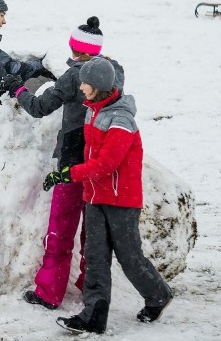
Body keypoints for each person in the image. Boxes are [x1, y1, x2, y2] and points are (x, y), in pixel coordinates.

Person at [0, 17, 124, 311]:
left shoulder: (73, 77)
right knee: (93, 230)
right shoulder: (114, 72)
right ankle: (89, 286)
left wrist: (18, 90)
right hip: (101, 160)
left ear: (74, 47)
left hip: (72, 156)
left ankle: (49, 292)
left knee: (62, 227)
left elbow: (40, 108)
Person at [55, 58, 173, 334]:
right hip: (95, 197)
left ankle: (158, 294)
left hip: (121, 200)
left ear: (98, 86)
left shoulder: (122, 119)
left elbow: (107, 165)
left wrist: (69, 174)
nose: (81, 86)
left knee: (129, 256)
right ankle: (94, 316)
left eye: (85, 82)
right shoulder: (93, 111)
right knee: (95, 257)